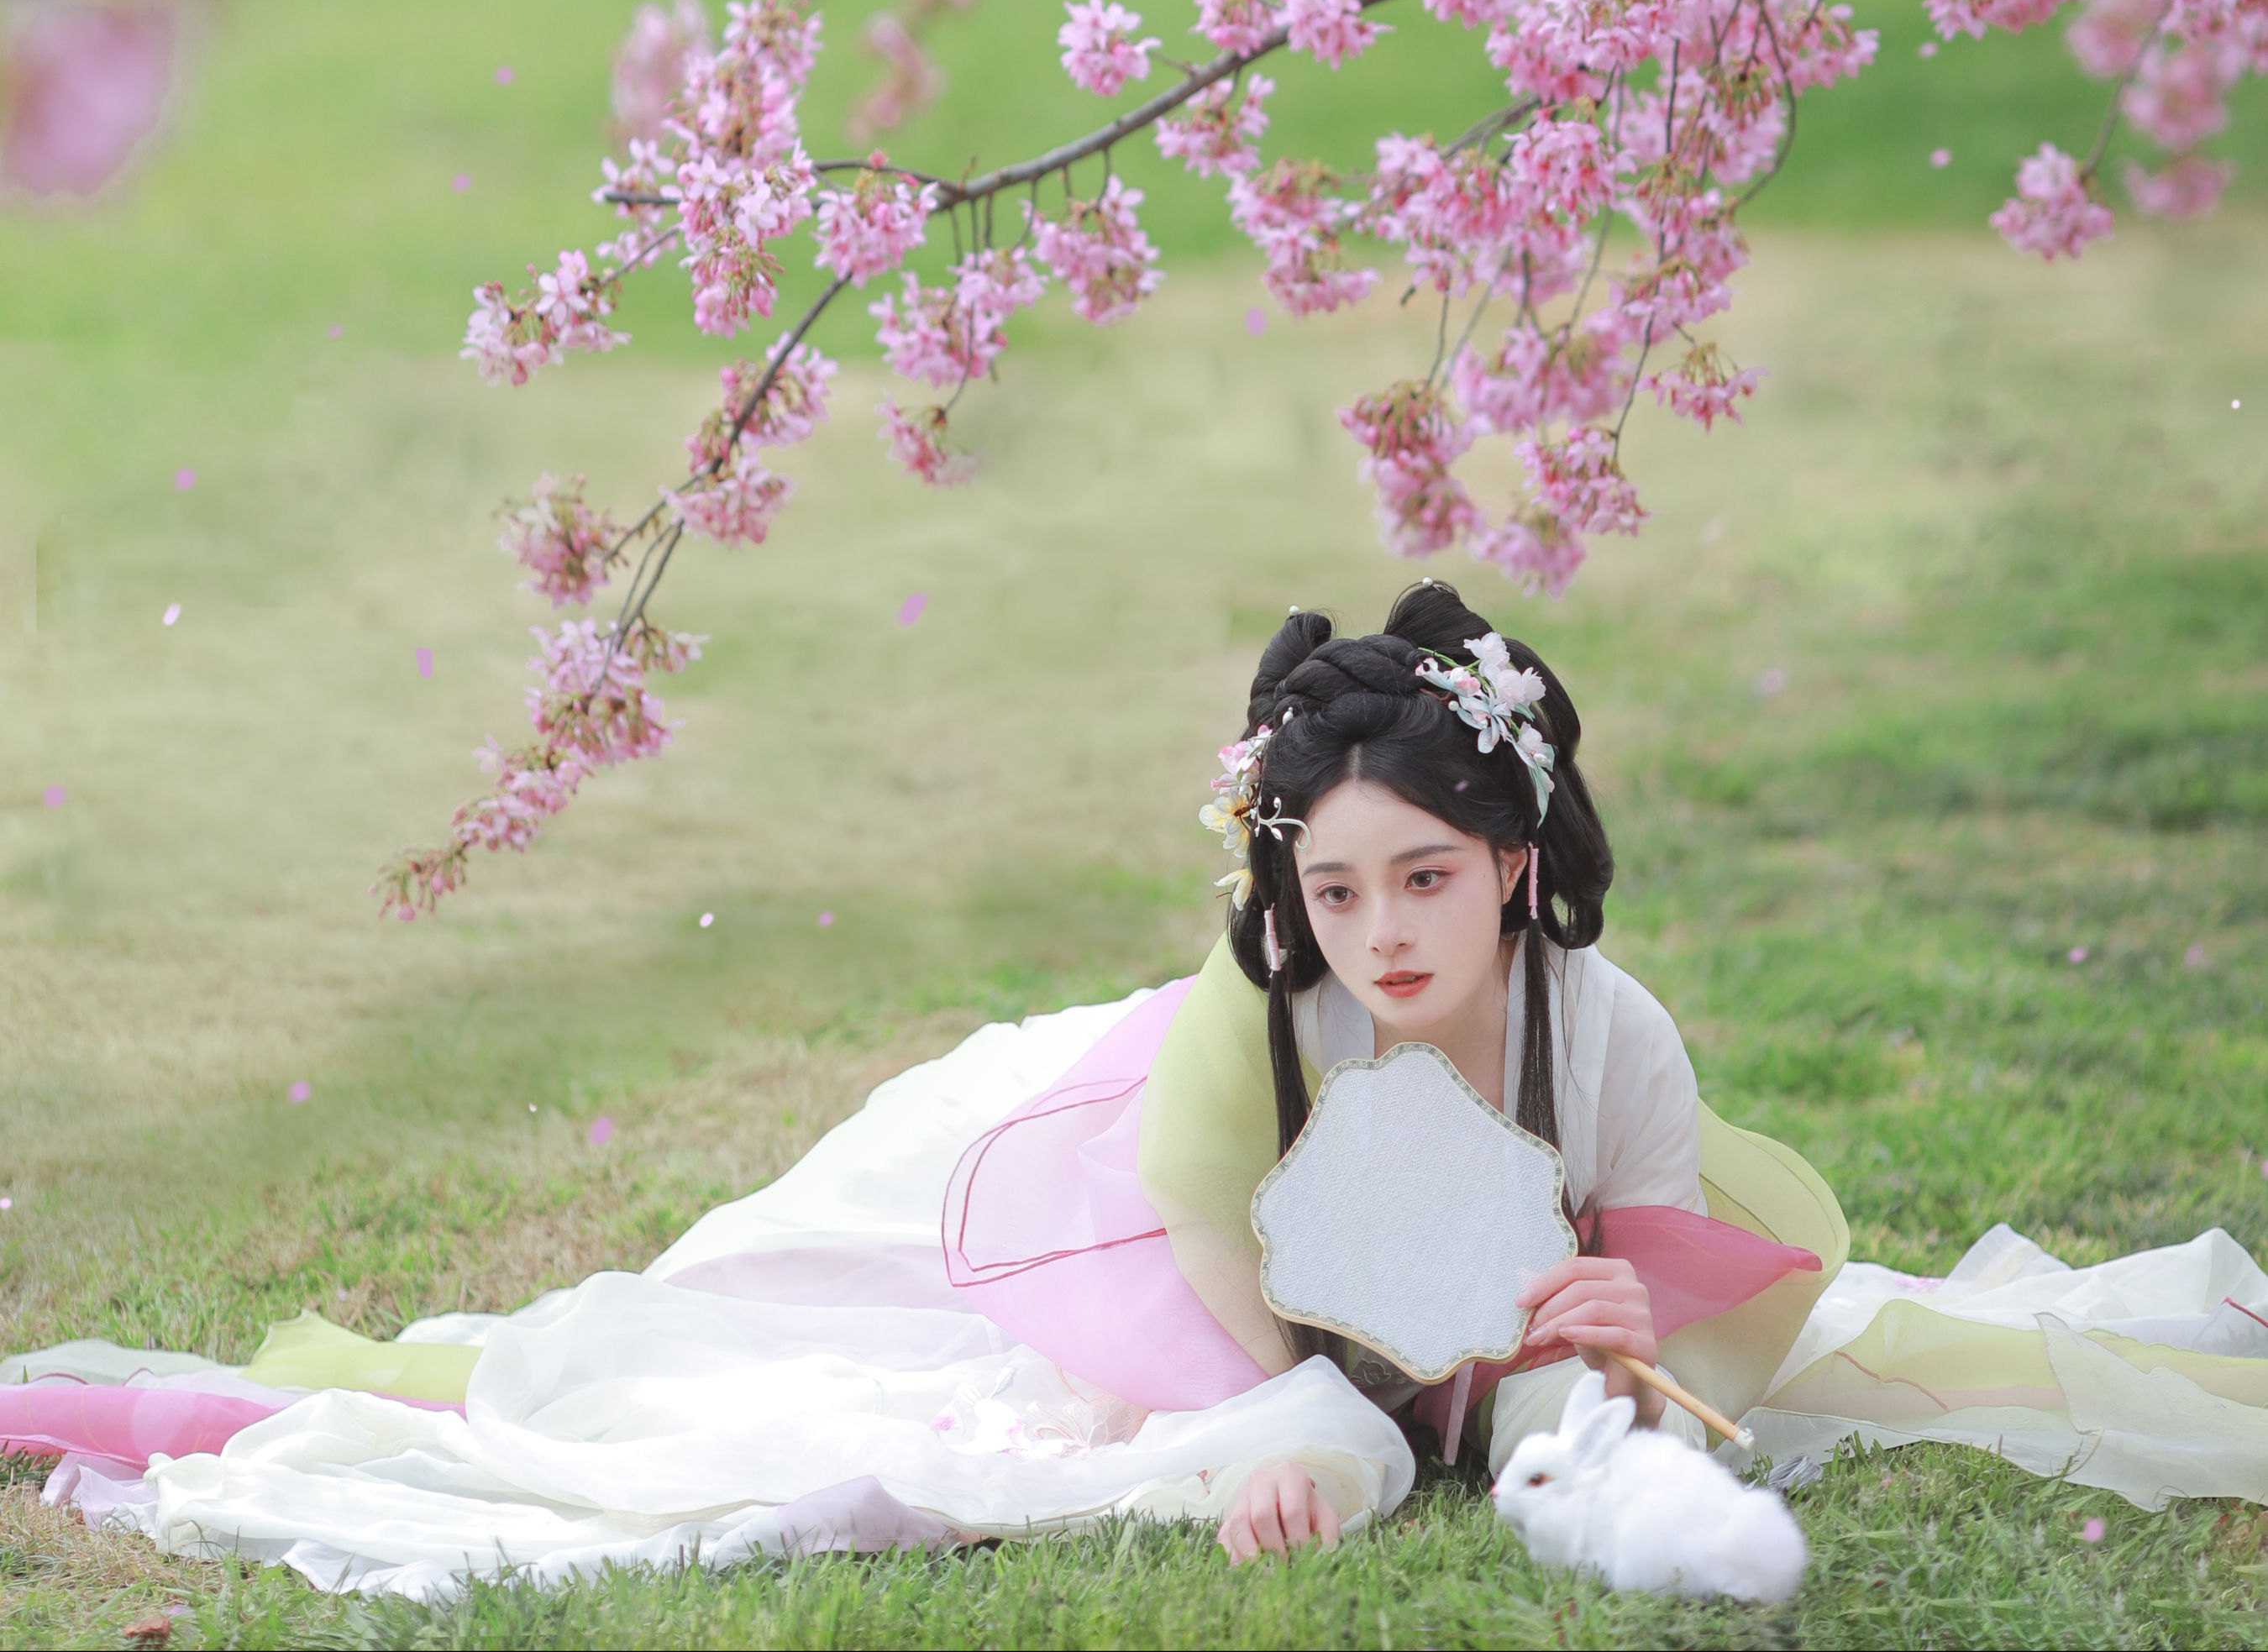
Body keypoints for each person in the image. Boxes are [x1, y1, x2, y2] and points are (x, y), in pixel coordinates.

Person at [5, 585, 2264, 1602]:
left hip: (1433, 1273)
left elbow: (1630, 1296)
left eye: (1428, 878)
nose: (1383, 926)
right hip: (1122, 1217)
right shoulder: (1249, 1045)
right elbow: (1284, 1332)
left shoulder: (1612, 1031)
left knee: (1526, 1421)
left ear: (1515, 863)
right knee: (795, 1380)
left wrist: (1604, 1364)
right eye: (1333, 879)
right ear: (1285, 882)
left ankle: (1620, 1520)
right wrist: (1343, 1428)